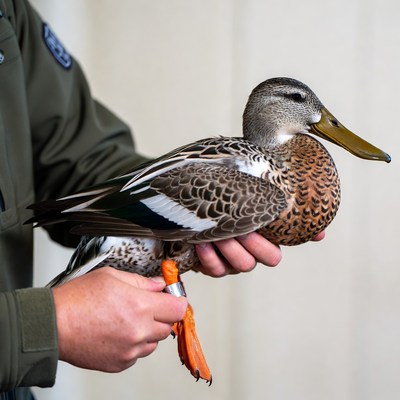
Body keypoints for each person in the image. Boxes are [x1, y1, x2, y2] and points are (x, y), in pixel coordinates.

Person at [0, 1, 325, 399]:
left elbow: (70, 150)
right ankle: (181, 310)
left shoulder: (9, 12)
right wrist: (45, 326)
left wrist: (202, 197)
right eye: (299, 102)